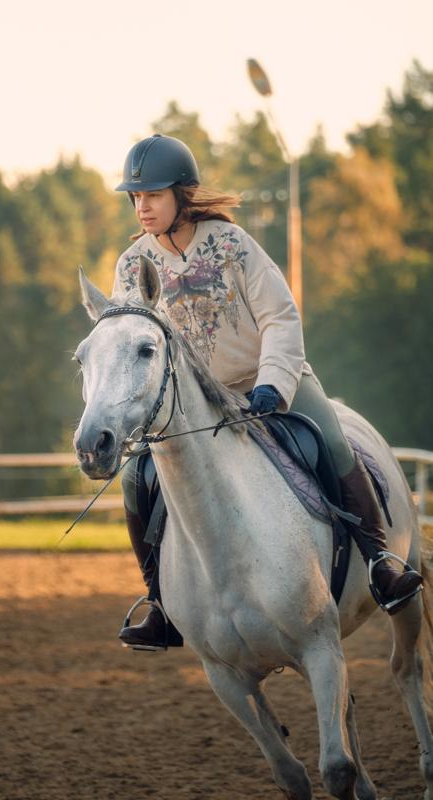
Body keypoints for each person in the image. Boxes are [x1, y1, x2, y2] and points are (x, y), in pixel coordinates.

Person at [111, 133, 422, 649]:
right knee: (133, 480)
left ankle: (381, 561)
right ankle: (160, 602)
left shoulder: (231, 244)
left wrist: (272, 386)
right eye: (136, 197)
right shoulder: (130, 265)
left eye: (153, 195)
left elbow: (280, 316)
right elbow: (130, 342)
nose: (142, 206)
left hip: (268, 380)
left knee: (332, 442)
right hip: (193, 405)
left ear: (182, 195)